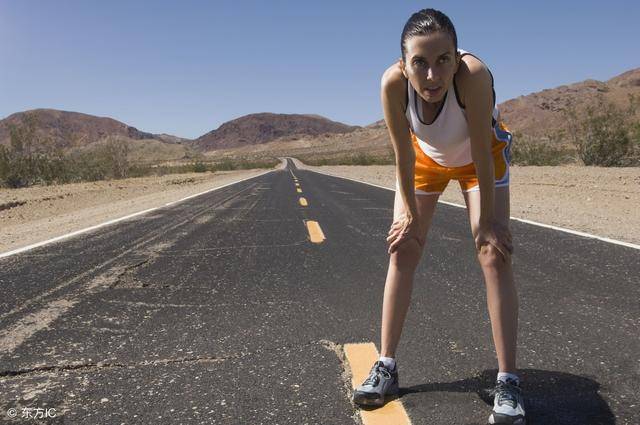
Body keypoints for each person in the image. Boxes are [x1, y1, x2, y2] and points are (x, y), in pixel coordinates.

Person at [351, 8, 525, 425]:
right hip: (426, 162)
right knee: (402, 248)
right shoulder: (392, 83)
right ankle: (387, 366)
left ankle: (508, 382)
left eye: (442, 60)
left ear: (456, 58)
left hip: (481, 161)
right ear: (403, 65)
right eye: (420, 63)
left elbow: (482, 149)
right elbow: (402, 152)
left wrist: (487, 224)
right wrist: (409, 213)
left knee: (492, 252)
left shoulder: (474, 77)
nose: (432, 75)